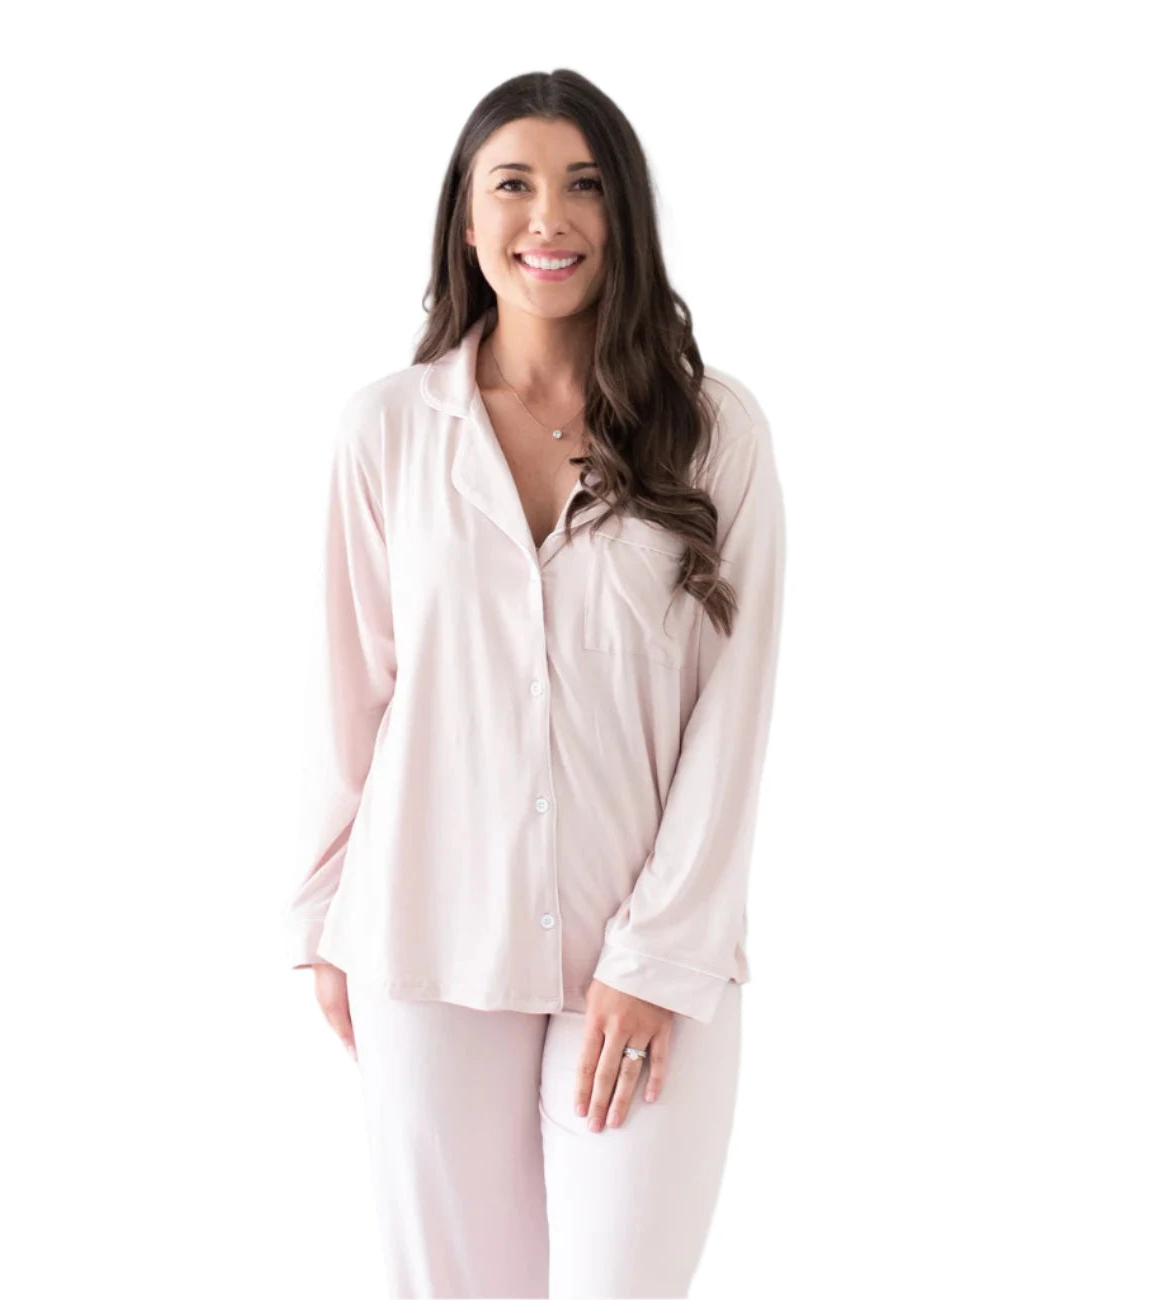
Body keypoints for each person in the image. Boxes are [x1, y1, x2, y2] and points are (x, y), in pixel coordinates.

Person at [283, 67, 787, 1299]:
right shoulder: (386, 433)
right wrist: (323, 921)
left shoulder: (713, 432)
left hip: (647, 952)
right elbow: (349, 697)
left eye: (584, 186)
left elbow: (733, 713)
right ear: (466, 220)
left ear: (625, 217)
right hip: (422, 936)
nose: (547, 218)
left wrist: (658, 955)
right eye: (512, 184)